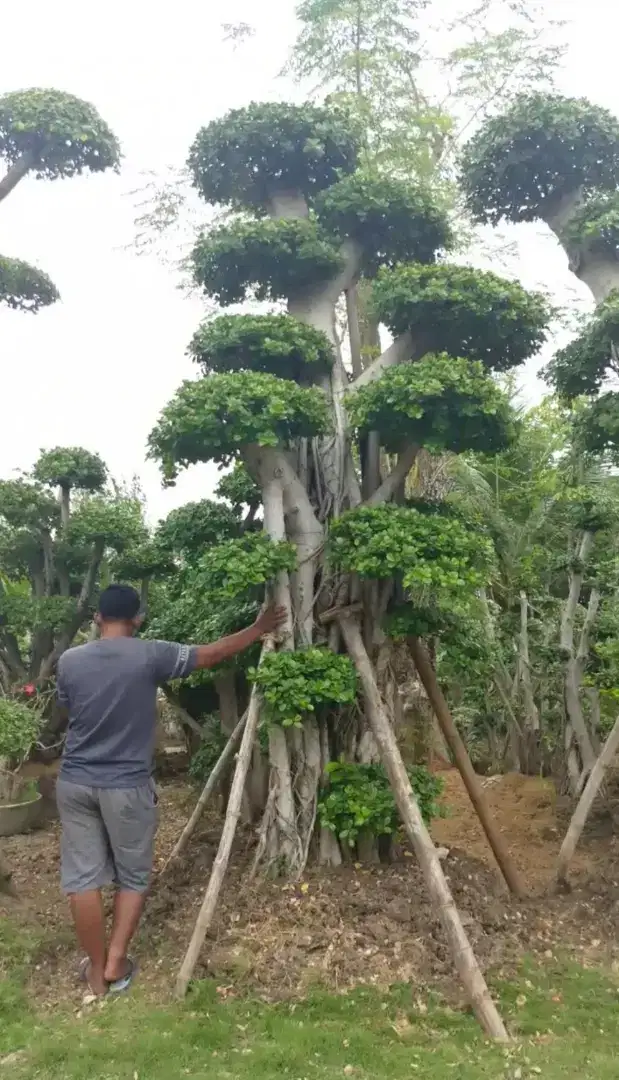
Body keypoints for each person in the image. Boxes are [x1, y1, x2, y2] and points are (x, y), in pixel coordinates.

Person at [55, 583, 286, 997]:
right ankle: (116, 961)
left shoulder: (70, 661)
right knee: (132, 874)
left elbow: (70, 708)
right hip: (126, 785)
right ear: (138, 619)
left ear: (97, 619)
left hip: (74, 783)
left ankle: (94, 968)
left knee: (81, 878)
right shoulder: (150, 654)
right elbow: (212, 653)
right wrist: (258, 628)